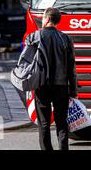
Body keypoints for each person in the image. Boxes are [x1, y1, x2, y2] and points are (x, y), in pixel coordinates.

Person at [33, 8, 77, 150]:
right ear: (58, 21)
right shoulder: (65, 38)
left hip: (41, 85)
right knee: (61, 123)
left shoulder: (35, 37)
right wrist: (73, 90)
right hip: (61, 86)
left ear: (46, 19)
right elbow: (71, 68)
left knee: (44, 123)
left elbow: (28, 63)